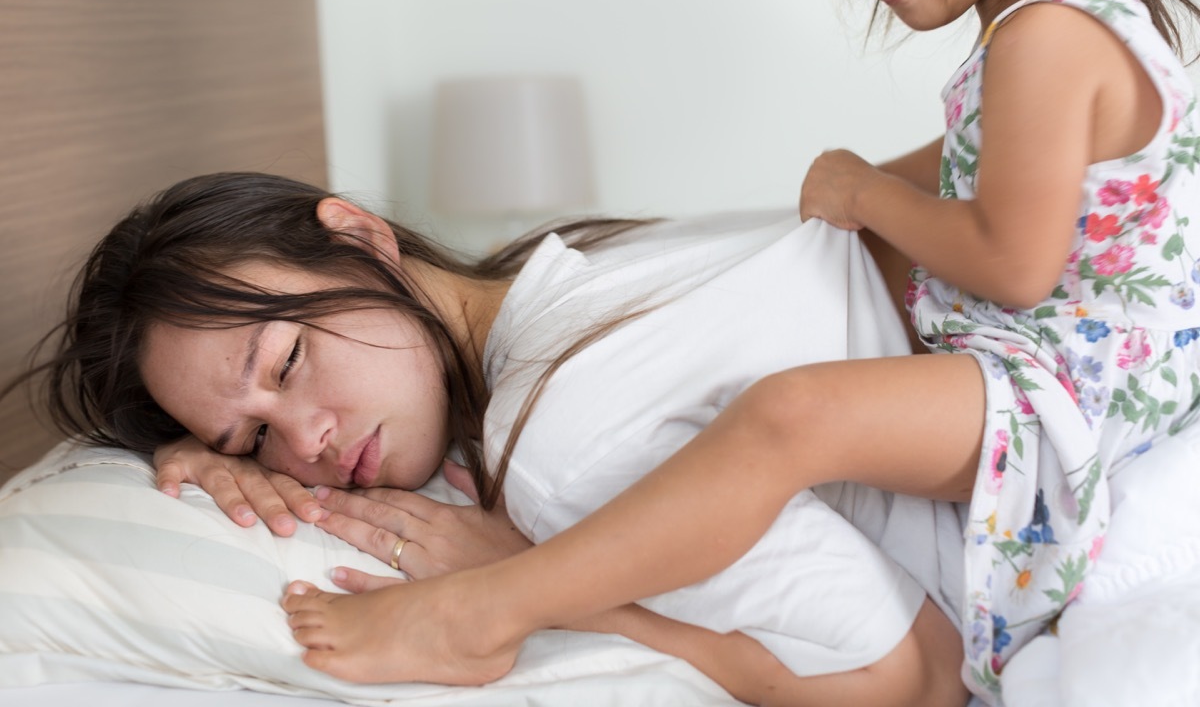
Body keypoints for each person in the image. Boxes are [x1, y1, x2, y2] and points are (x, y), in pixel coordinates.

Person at [265, 0, 1200, 704]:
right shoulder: (1061, 25)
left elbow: (1013, 262)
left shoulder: (1046, 37)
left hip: (1069, 395)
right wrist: (862, 186)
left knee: (789, 413)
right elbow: (965, 180)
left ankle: (486, 609)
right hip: (1093, 381)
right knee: (799, 406)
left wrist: (863, 192)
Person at [19, 171, 968, 706]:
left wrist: (551, 592)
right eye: (252, 439)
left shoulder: (560, 440)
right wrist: (184, 456)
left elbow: (919, 680)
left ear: (357, 236)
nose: (304, 443)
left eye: (288, 361)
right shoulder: (578, 272)